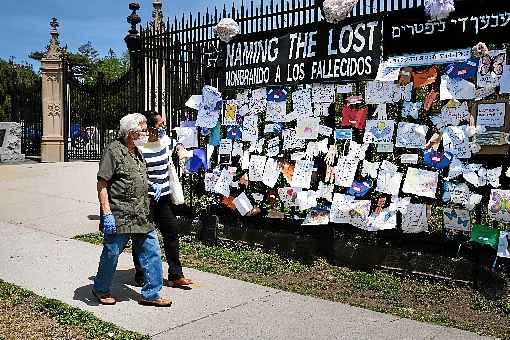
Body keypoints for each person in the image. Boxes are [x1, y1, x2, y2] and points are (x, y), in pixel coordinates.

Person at [92, 113, 172, 307]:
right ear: (130, 132)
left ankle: (151, 294)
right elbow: (102, 184)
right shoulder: (113, 150)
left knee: (152, 252)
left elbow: (138, 176)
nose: (147, 133)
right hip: (119, 214)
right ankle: (100, 288)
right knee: (111, 253)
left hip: (141, 213)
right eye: (143, 130)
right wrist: (107, 213)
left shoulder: (138, 151)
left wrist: (151, 185)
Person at [134, 110, 193, 288]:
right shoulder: (139, 147)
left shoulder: (165, 141)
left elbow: (177, 145)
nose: (163, 128)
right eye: (160, 125)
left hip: (164, 197)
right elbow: (136, 173)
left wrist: (181, 148)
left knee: (172, 231)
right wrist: (150, 186)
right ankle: (141, 274)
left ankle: (176, 274)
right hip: (147, 198)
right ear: (150, 128)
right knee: (142, 235)